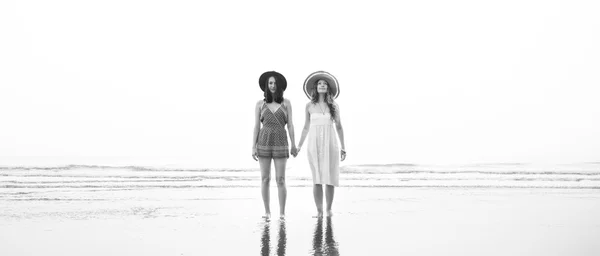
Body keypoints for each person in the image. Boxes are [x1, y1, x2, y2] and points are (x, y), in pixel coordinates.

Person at [296, 71, 346, 218]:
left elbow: (339, 126)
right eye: (319, 84)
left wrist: (343, 147)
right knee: (317, 178)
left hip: (331, 143)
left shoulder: (334, 106)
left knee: (330, 177)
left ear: (328, 88)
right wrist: (299, 146)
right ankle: (319, 211)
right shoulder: (309, 106)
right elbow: (306, 127)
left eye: (325, 84)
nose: (322, 85)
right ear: (315, 88)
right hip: (314, 144)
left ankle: (329, 209)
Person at [253, 71, 297, 219]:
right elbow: (256, 127)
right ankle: (267, 212)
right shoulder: (260, 104)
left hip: (281, 141)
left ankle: (282, 213)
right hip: (263, 141)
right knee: (265, 178)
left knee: (281, 179)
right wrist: (253, 146)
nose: (273, 85)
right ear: (267, 85)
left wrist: (293, 144)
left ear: (279, 86)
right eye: (270, 83)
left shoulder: (286, 103)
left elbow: (290, 125)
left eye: (275, 83)